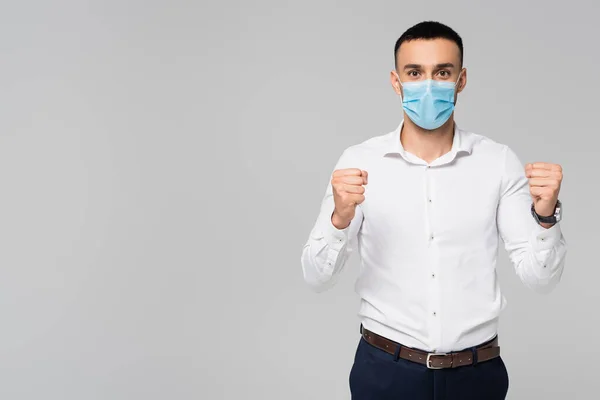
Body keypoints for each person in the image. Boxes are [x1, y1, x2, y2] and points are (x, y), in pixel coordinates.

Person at [300, 21, 567, 400]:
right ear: (396, 82)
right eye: (415, 73)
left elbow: (541, 280)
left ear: (461, 80)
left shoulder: (497, 162)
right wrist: (339, 219)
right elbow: (315, 277)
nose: (429, 85)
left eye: (442, 72)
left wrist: (544, 217)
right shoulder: (359, 162)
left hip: (476, 375)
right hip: (384, 372)